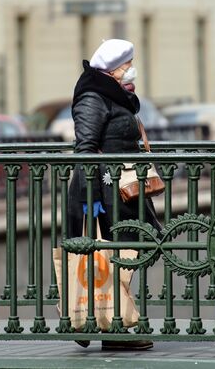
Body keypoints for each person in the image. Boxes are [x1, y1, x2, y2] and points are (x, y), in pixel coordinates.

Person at [67, 39, 160, 350]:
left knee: (127, 250)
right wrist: (91, 197)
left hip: (122, 189)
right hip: (103, 192)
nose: (131, 68)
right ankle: (107, 327)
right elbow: (86, 149)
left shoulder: (116, 94)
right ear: (113, 68)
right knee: (109, 253)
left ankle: (105, 321)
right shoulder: (93, 96)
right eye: (126, 64)